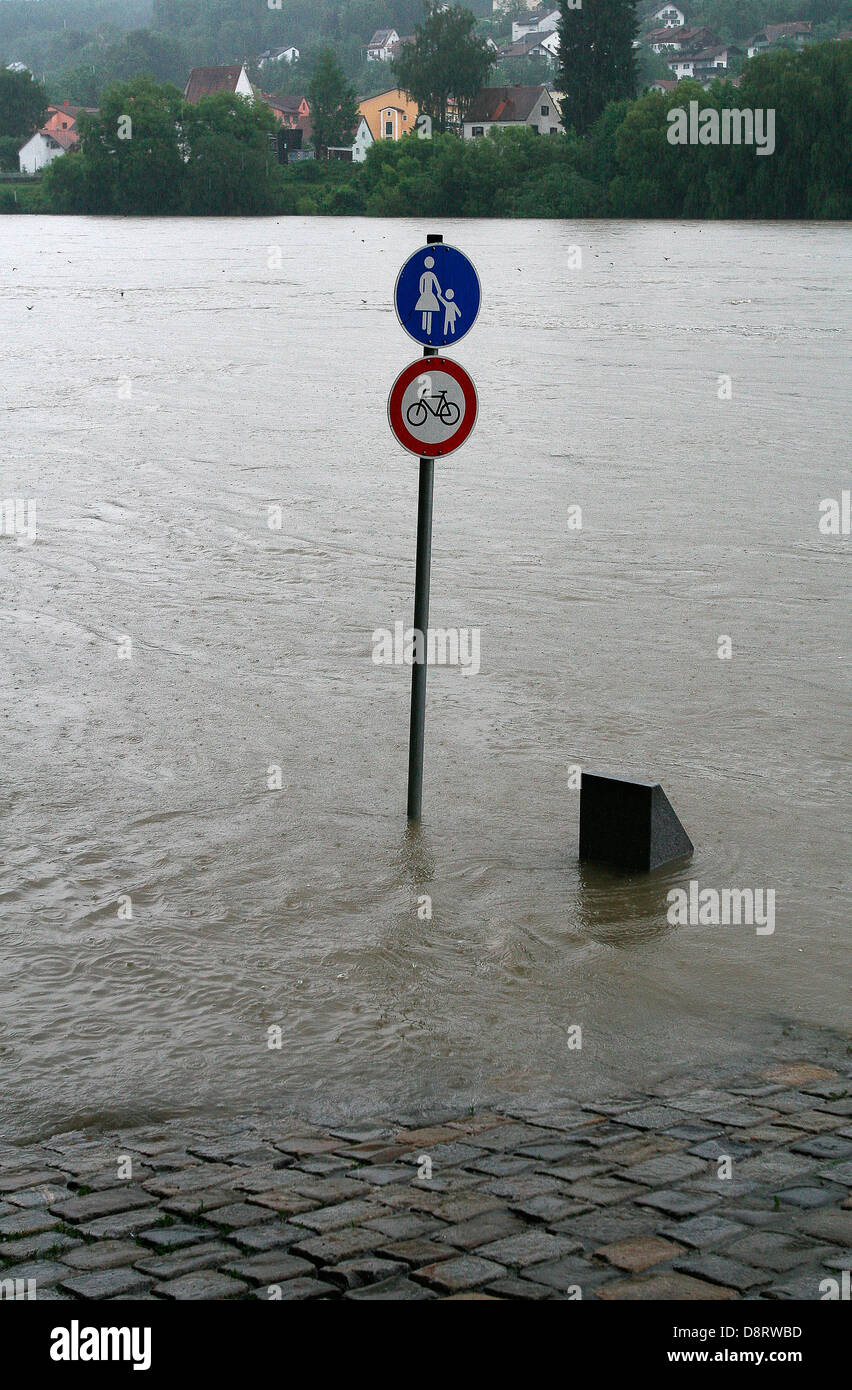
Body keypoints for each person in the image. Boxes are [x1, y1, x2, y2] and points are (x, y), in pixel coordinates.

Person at [414, 256, 442, 335]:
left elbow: (421, 286)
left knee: (427, 310)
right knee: (428, 310)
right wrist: (439, 291)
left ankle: (426, 328)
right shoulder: (430, 275)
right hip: (428, 294)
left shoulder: (425, 275)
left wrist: (422, 293)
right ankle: (426, 329)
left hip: (426, 294)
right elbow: (436, 285)